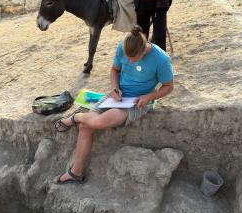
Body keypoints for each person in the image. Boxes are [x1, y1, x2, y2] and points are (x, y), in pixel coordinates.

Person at [53, 25, 174, 184]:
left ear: (144, 50)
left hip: (137, 102)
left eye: (133, 59)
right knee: (86, 126)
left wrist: (150, 96)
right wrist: (115, 88)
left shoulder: (161, 59)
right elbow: (114, 70)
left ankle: (75, 117)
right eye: (127, 57)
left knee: (101, 121)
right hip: (117, 96)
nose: (129, 61)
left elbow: (169, 86)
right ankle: (76, 172)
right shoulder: (122, 47)